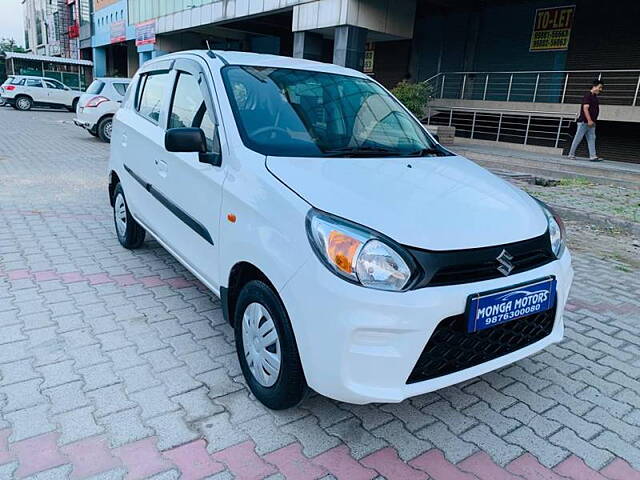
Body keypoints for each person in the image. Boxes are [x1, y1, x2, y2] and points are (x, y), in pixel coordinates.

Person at [568, 80, 604, 161]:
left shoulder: (594, 97)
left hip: (591, 122)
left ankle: (593, 156)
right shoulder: (587, 96)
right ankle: (571, 154)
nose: (601, 89)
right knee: (578, 138)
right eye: (600, 87)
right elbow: (585, 108)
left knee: (592, 138)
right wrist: (589, 120)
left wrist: (593, 121)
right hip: (584, 122)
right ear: (594, 86)